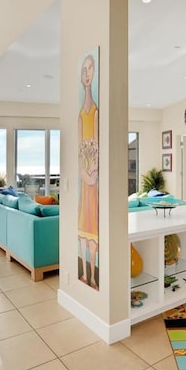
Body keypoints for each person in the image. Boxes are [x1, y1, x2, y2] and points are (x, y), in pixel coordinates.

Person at [78, 54, 99, 289]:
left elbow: (98, 146)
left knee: (93, 226)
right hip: (85, 181)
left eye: (90, 68)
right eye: (84, 69)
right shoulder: (80, 115)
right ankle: (85, 275)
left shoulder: (96, 112)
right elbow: (78, 150)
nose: (86, 73)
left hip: (93, 182)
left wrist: (93, 172)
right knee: (83, 228)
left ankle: (92, 277)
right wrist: (84, 174)